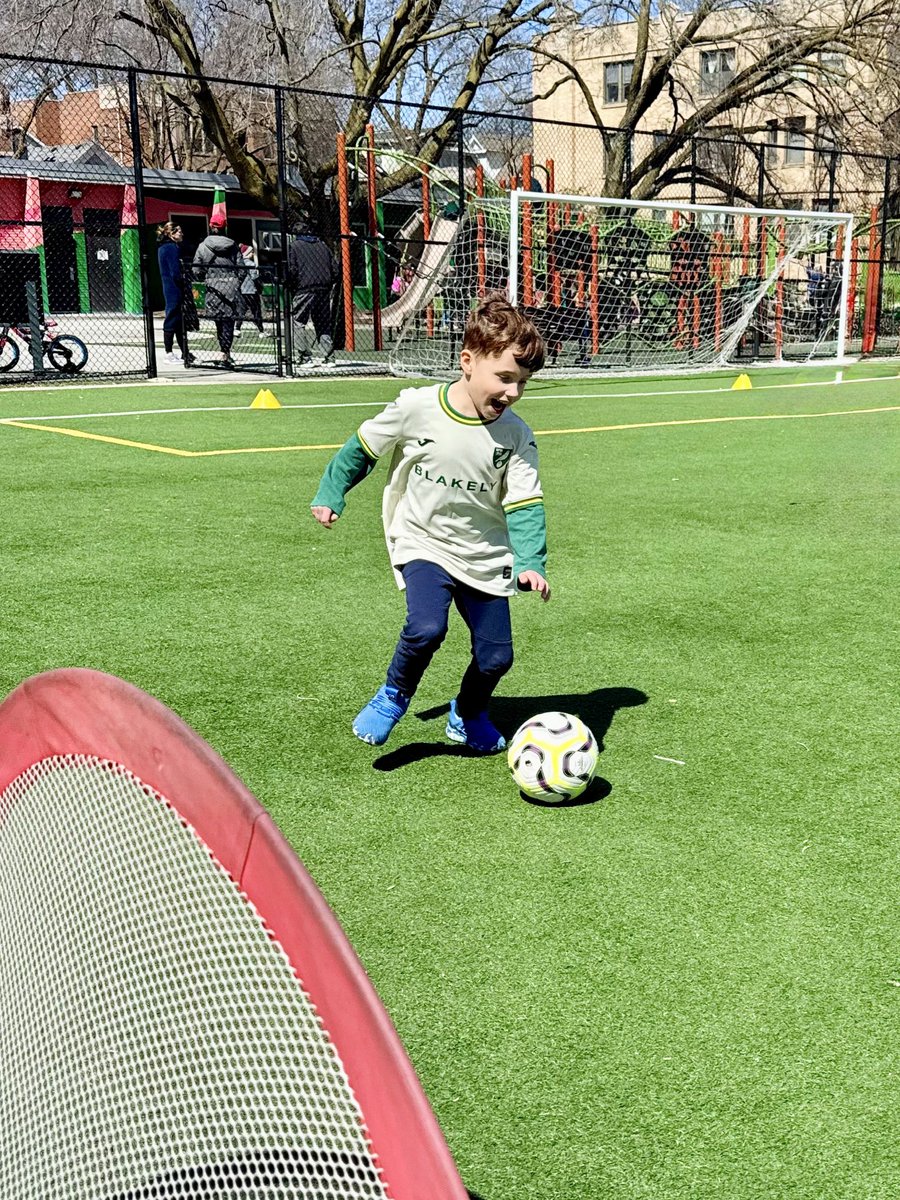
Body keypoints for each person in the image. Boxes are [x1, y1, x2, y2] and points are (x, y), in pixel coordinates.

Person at [310, 295, 550, 752]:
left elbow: (525, 503)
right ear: (467, 362)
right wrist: (331, 491)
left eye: (522, 382)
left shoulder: (516, 435)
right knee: (426, 628)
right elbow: (362, 448)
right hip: (424, 541)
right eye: (504, 378)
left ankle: (468, 711)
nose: (513, 392)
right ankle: (393, 696)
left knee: (497, 657)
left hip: (484, 555)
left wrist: (531, 561)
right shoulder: (417, 406)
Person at [193, 217, 244, 366]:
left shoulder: (203, 246)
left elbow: (196, 269)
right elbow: (241, 267)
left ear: (210, 226)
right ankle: (226, 352)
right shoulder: (233, 245)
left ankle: (223, 350)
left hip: (213, 286)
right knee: (229, 321)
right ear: (225, 227)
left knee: (218, 321)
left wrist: (206, 277)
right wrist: (236, 281)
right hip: (231, 286)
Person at [287, 218, 338, 365]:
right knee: (323, 323)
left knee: (297, 321)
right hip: (323, 288)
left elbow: (292, 269)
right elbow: (335, 269)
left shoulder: (294, 246)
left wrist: (293, 285)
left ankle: (305, 356)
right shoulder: (323, 246)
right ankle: (329, 357)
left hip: (304, 288)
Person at [156, 222, 190, 365]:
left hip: (169, 287)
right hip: (173, 288)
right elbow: (175, 272)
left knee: (178, 320)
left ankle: (185, 352)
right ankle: (169, 352)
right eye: (179, 232)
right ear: (172, 234)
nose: (182, 234)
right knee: (172, 318)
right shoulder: (171, 248)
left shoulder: (163, 248)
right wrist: (183, 279)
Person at [236, 243, 265, 336]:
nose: (252, 254)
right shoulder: (251, 264)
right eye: (251, 252)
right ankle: (261, 330)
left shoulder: (238, 264)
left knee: (241, 311)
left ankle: (237, 328)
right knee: (256, 311)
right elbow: (254, 277)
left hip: (241, 290)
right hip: (251, 291)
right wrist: (260, 287)